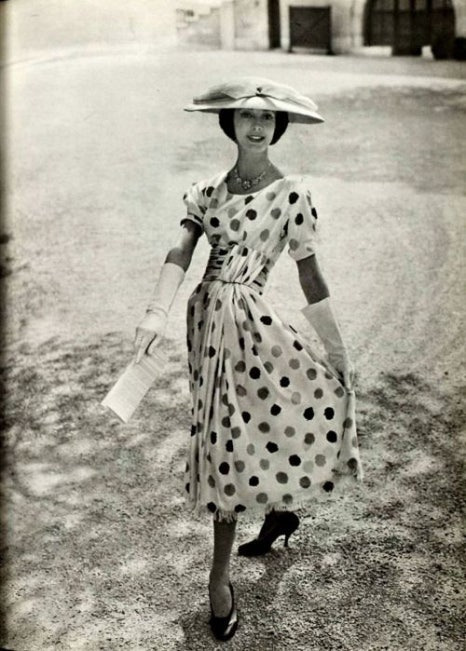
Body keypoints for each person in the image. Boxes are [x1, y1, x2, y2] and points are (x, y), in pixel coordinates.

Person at [133, 77, 363, 642]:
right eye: (245, 117)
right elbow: (180, 251)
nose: (256, 127)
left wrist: (337, 350)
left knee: (241, 438)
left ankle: (219, 581)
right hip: (206, 326)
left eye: (266, 118)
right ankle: (276, 516)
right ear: (229, 124)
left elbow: (310, 274)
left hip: (251, 323)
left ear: (278, 127)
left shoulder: (292, 195)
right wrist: (154, 315)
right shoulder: (207, 191)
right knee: (229, 438)